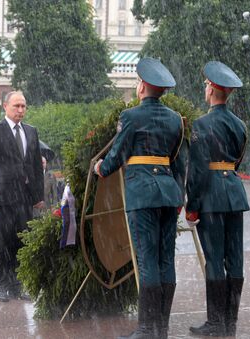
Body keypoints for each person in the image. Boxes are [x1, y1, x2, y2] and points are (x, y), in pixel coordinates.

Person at [94, 57, 184, 339]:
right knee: (165, 259)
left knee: (146, 260)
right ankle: (162, 328)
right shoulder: (175, 119)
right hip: (168, 193)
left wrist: (101, 167)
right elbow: (178, 160)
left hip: (142, 192)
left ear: (143, 86)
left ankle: (146, 329)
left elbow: (117, 155)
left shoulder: (131, 116)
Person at [186, 61, 250, 337]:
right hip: (234, 196)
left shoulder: (201, 124)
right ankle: (229, 322)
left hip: (211, 197)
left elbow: (198, 170)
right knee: (234, 259)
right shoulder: (239, 125)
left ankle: (215, 323)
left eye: (205, 86)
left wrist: (192, 206)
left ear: (212, 90)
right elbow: (237, 162)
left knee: (214, 260)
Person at [0, 91, 44, 302]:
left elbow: (35, 165)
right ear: (5, 106)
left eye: (24, 106)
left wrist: (38, 195)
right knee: (3, 242)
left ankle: (18, 284)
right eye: (17, 106)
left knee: (22, 242)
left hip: (25, 198)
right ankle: (1, 284)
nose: (21, 110)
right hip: (2, 197)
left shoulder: (31, 132)